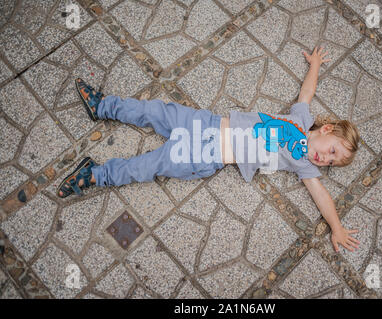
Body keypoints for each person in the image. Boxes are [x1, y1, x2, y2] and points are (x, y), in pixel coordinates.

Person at [57, 47, 360, 252]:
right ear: (327, 130)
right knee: (154, 111)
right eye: (332, 151)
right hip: (207, 123)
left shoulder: (304, 166)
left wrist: (337, 227)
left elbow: (321, 195)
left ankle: (96, 175)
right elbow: (306, 93)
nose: (325, 160)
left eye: (331, 164)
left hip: (206, 156)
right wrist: (316, 66)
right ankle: (104, 106)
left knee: (148, 166)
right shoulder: (302, 119)